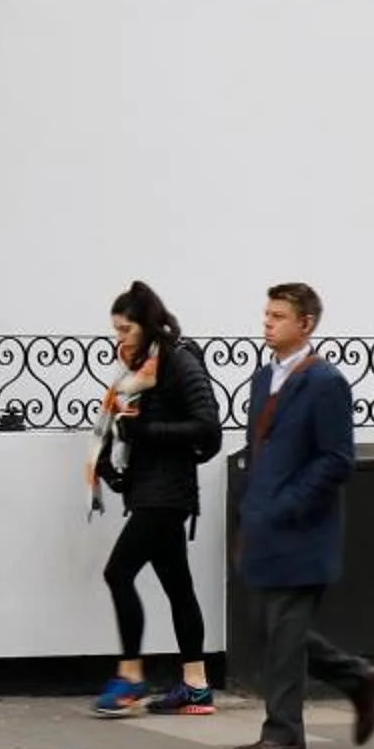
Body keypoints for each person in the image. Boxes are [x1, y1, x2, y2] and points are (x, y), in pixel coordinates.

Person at [231, 280, 374, 749]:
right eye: (267, 314)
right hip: (264, 526)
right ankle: (356, 677)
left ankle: (283, 734)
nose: (267, 323)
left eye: (278, 316)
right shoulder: (264, 378)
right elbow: (262, 450)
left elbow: (337, 458)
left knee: (282, 633)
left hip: (302, 530)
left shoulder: (325, 382)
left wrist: (289, 502)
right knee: (270, 628)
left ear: (306, 324)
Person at [87, 282, 223, 717]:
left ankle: (130, 676)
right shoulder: (140, 369)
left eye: (125, 329)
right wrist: (113, 466)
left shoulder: (179, 363)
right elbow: (123, 427)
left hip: (168, 494)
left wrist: (145, 433)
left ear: (146, 325)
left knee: (118, 572)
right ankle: (196, 686)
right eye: (115, 331)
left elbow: (207, 427)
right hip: (150, 490)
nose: (119, 339)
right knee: (178, 586)